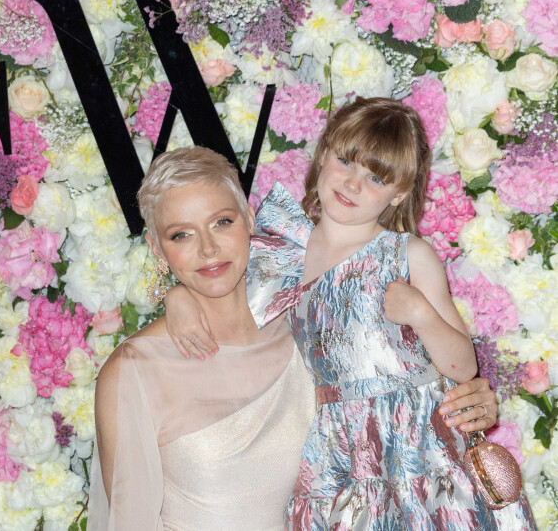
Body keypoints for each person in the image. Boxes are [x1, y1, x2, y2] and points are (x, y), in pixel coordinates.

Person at [164, 99, 536, 530]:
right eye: (345, 161)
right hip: (340, 446)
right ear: (323, 153)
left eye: (376, 177)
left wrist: (422, 313)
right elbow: (224, 299)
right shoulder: (282, 250)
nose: (353, 184)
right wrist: (179, 299)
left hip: (420, 441)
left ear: (399, 192)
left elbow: (462, 365)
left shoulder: (408, 255)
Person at [88, 147, 316, 530]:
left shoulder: (308, 327)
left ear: (249, 218)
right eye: (181, 234)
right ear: (157, 248)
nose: (208, 248)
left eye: (222, 222)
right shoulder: (134, 371)